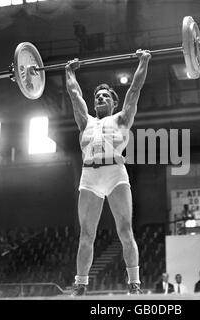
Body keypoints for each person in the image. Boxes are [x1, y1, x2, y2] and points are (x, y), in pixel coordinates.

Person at [65, 49, 151, 296]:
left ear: (114, 102)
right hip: (89, 177)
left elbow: (134, 90)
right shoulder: (85, 122)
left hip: (115, 174)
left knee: (125, 231)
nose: (100, 98)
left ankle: (134, 283)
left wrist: (143, 61)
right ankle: (80, 285)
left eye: (105, 96)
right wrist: (69, 71)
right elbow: (74, 94)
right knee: (86, 236)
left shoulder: (122, 119)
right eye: (97, 96)